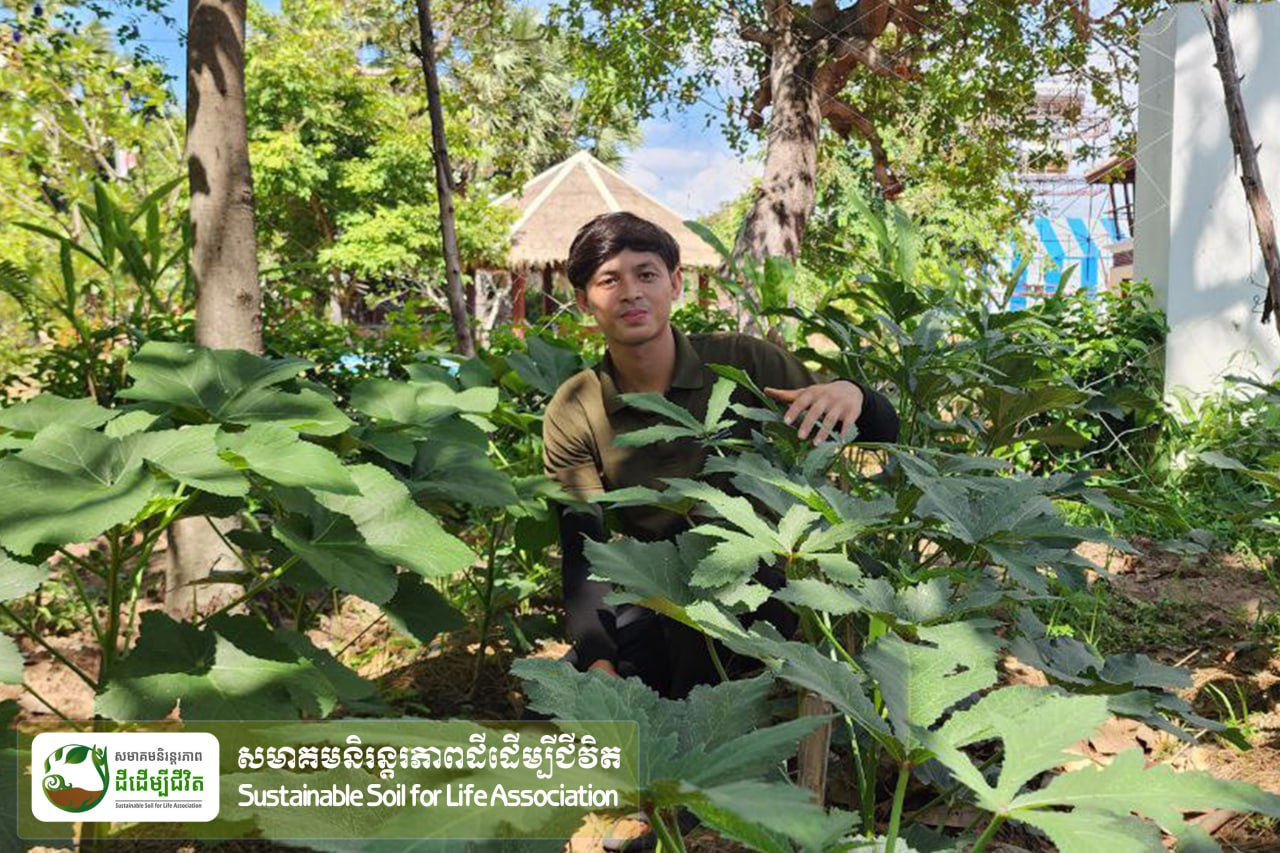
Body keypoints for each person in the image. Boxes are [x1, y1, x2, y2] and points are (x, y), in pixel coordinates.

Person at [542, 211, 900, 700]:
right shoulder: (574, 407)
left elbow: (879, 433)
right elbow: (583, 549)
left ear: (675, 283)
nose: (631, 293)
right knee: (563, 708)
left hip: (770, 582)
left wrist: (854, 393)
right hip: (663, 591)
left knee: (700, 691)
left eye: (646, 274)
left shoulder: (744, 362)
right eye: (609, 280)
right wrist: (599, 662)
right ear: (584, 300)